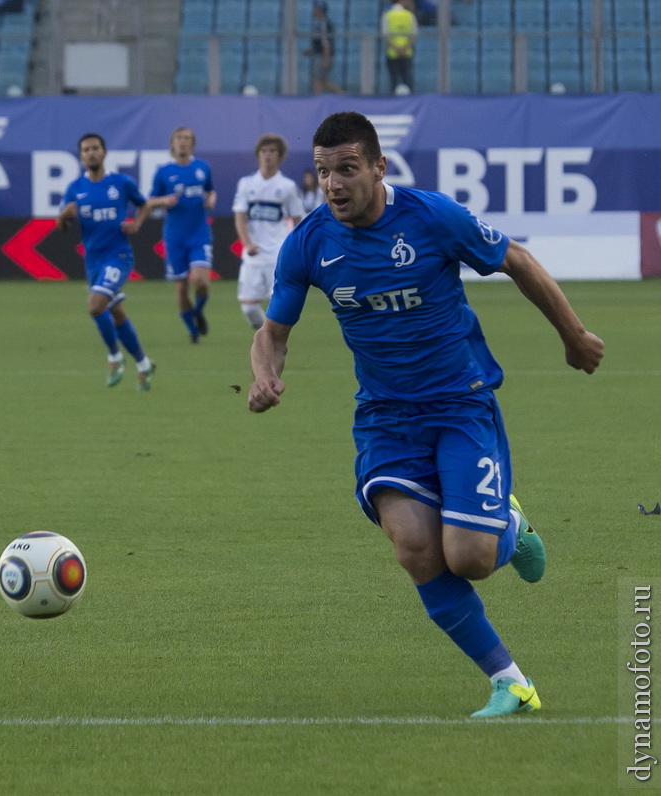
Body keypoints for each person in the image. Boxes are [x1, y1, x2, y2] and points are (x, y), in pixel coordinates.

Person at [248, 111, 604, 717]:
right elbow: (272, 331)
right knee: (415, 548)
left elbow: (515, 258)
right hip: (385, 418)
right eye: (323, 171)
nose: (333, 183)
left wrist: (573, 336)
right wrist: (265, 374)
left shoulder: (432, 217)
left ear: (378, 168)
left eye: (347, 169)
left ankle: (508, 528)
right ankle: (512, 684)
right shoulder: (309, 242)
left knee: (471, 558)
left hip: (461, 404)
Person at [55, 133, 157, 391]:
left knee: (95, 306)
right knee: (115, 312)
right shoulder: (75, 188)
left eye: (95, 148)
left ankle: (114, 358)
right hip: (94, 262)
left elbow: (144, 205)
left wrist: (137, 223)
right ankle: (144, 364)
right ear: (81, 156)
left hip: (119, 256)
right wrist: (63, 217)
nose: (91, 153)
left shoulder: (121, 183)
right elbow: (62, 226)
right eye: (86, 150)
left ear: (104, 152)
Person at [150, 126, 217, 343]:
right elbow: (149, 202)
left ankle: (197, 312)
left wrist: (212, 198)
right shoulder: (163, 172)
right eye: (179, 137)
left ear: (192, 143)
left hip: (199, 233)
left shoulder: (202, 168)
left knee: (201, 281)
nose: (182, 141)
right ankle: (193, 330)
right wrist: (163, 201)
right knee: (181, 289)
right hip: (174, 237)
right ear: (172, 143)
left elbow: (210, 189)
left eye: (187, 138)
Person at [232, 133, 304, 330]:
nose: (268, 155)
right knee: (249, 307)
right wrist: (247, 244)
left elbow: (298, 221)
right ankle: (268, 336)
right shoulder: (246, 184)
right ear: (258, 155)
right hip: (254, 255)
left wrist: (295, 249)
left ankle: (271, 342)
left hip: (277, 253)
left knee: (278, 306)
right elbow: (240, 217)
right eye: (264, 151)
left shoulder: (288, 187)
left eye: (272, 151)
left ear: (280, 156)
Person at [304, 1, 344, 94]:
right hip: (320, 55)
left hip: (322, 57)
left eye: (315, 8)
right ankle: (343, 95)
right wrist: (311, 50)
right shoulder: (320, 23)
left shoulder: (324, 24)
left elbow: (326, 43)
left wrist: (326, 59)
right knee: (323, 81)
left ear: (319, 10)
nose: (313, 11)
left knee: (317, 80)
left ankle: (317, 103)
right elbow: (321, 42)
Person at [381, 0, 418, 94]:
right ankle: (411, 102)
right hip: (407, 53)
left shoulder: (387, 15)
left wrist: (396, 48)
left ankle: (393, 103)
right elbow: (413, 35)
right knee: (407, 80)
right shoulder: (409, 15)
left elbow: (386, 35)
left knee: (394, 81)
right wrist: (405, 48)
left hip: (392, 53)